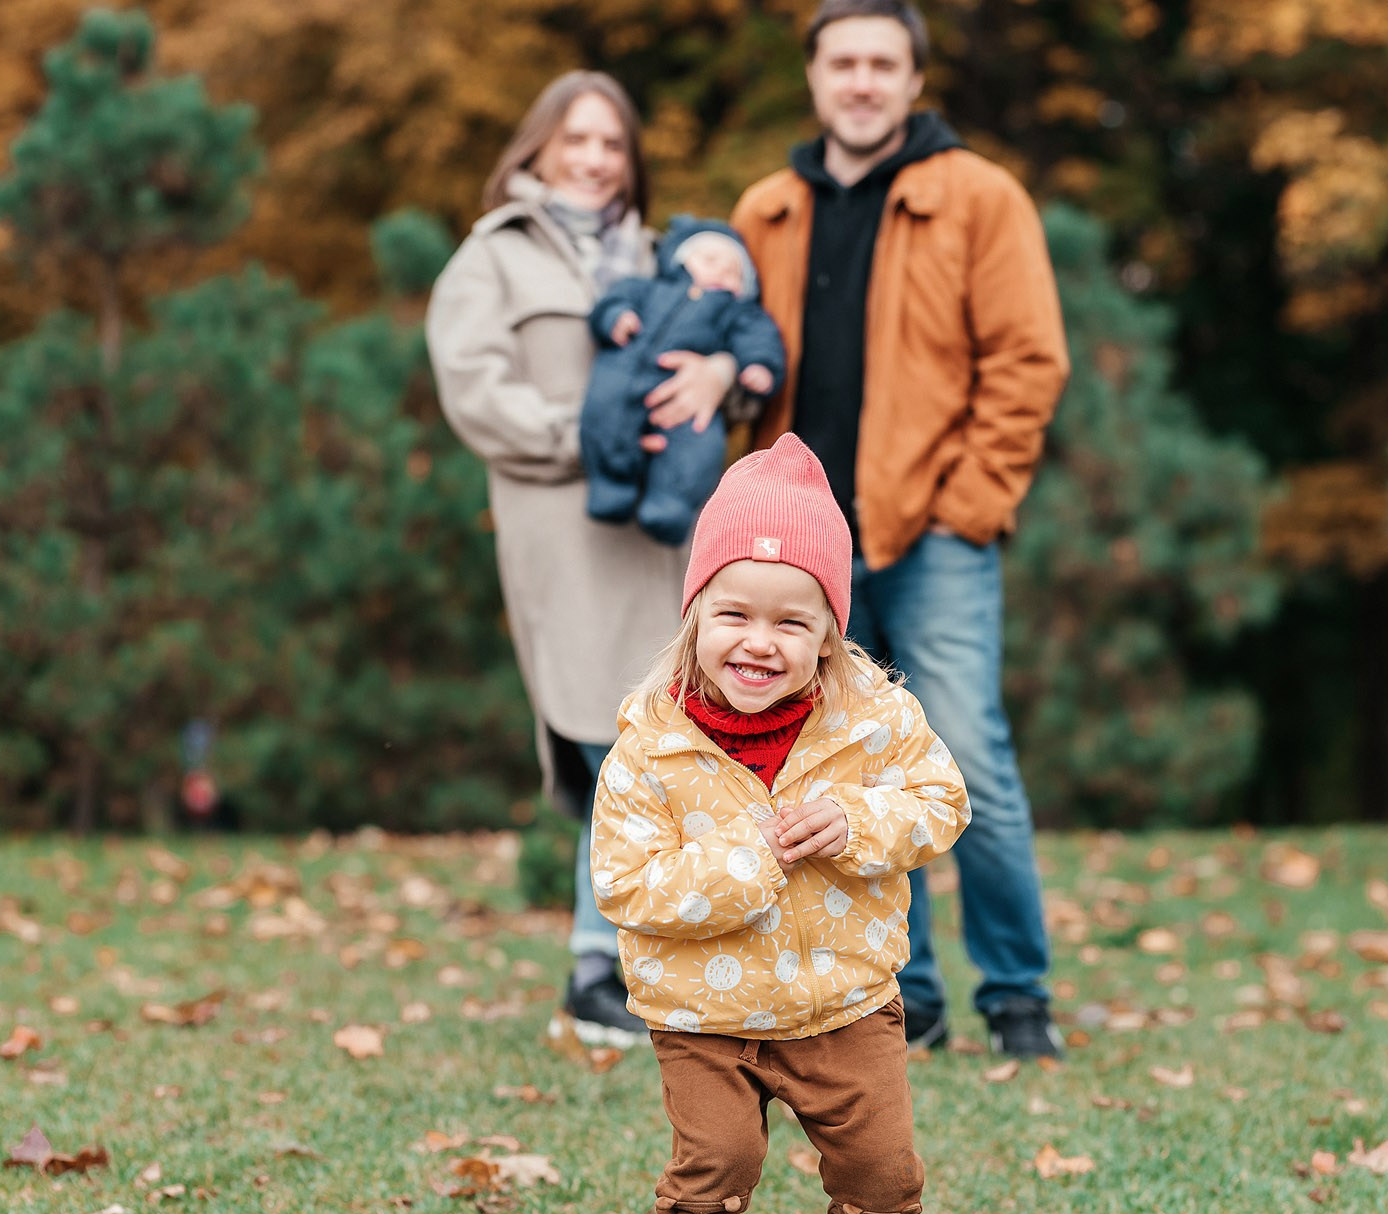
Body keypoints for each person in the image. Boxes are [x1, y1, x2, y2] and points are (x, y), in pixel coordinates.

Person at [588, 434, 968, 1214]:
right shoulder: (650, 745)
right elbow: (625, 883)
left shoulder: (874, 720)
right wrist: (747, 863)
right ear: (695, 613)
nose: (759, 641)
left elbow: (942, 801)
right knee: (716, 1160)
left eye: (791, 621)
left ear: (830, 632)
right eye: (735, 613)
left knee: (882, 1164)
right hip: (703, 1012)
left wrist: (858, 820)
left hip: (845, 998)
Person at [730, 0, 1071, 1057]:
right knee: (847, 770)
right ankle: (904, 998)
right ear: (814, 76)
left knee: (967, 759)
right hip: (804, 550)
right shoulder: (767, 210)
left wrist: (968, 506)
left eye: (883, 63)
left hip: (932, 531)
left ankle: (1016, 995)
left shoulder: (978, 196)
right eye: (844, 62)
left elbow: (1027, 362)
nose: (862, 81)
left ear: (914, 80)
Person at [427, 73, 740, 1047]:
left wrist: (720, 374)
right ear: (537, 148)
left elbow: (722, 345)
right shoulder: (493, 257)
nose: (596, 159)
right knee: (614, 743)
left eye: (613, 143)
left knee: (663, 743)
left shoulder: (659, 255)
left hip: (663, 536)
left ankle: (632, 961)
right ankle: (598, 964)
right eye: (577, 139)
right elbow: (476, 392)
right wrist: (590, 433)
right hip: (564, 528)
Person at [581, 217, 787, 544]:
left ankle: (671, 505)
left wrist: (761, 366)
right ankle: (611, 485)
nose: (721, 271)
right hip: (624, 373)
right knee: (604, 412)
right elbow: (614, 300)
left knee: (699, 446)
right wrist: (616, 317)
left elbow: (760, 338)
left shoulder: (737, 312)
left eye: (734, 270)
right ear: (681, 259)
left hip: (689, 399)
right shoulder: (650, 288)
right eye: (710, 259)